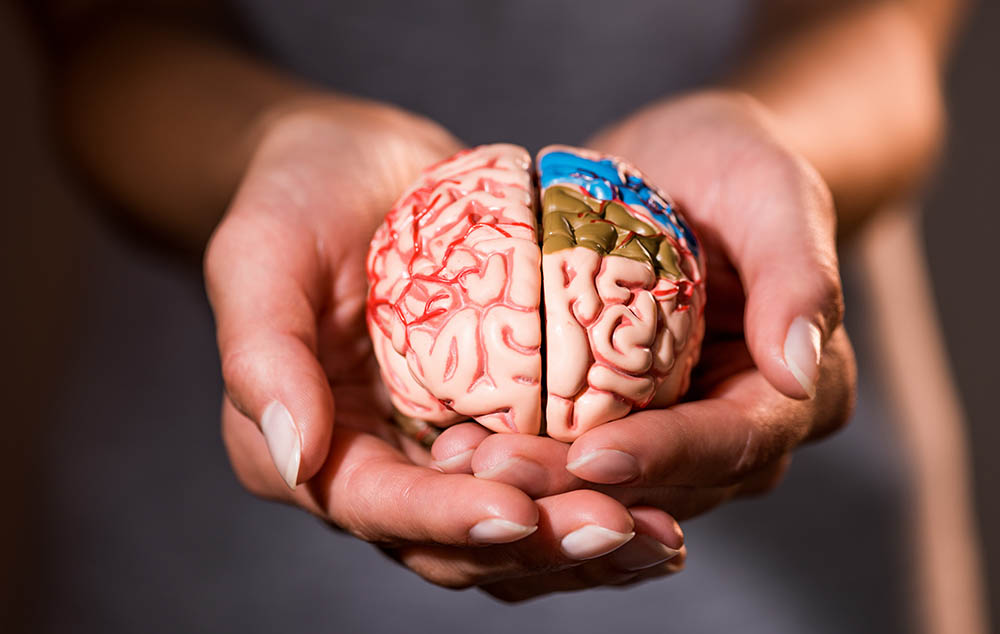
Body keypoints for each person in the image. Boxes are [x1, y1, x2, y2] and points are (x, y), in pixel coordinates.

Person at [21, 0, 982, 631]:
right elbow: (107, 33)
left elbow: (889, 32)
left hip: (779, 473)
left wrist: (782, 144)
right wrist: (265, 146)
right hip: (219, 525)